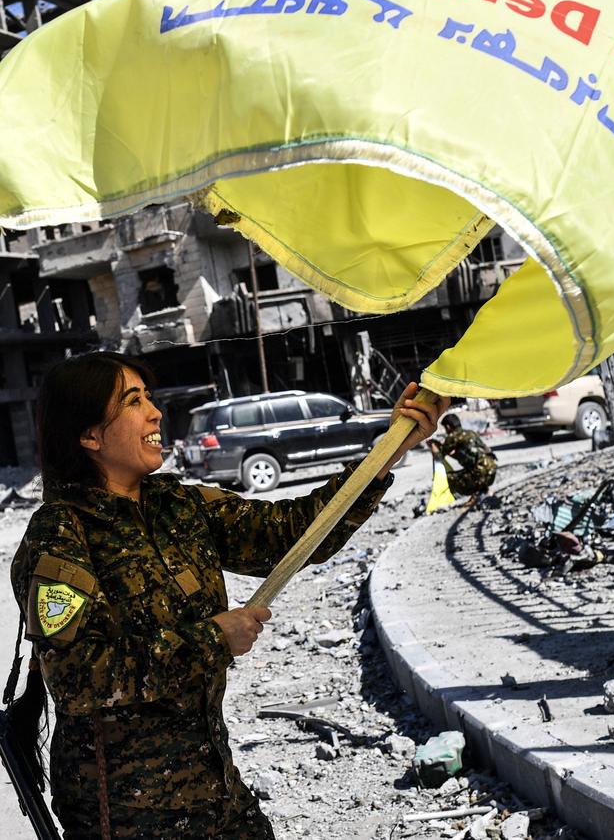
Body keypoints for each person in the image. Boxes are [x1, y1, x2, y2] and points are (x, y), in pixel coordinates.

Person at [10, 351, 446, 840]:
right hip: (128, 817)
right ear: (90, 435)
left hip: (213, 790)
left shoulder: (176, 503)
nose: (154, 412)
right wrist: (212, 639)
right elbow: (76, 680)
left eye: (149, 397)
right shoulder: (62, 534)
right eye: (133, 402)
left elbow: (296, 535)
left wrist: (388, 451)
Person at [430, 412, 497, 503]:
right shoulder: (471, 433)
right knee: (471, 469)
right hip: (491, 473)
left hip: (479, 475)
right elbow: (468, 457)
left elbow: (439, 456)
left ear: (448, 426)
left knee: (447, 478)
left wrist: (433, 445)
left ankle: (451, 500)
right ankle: (482, 492)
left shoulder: (453, 437)